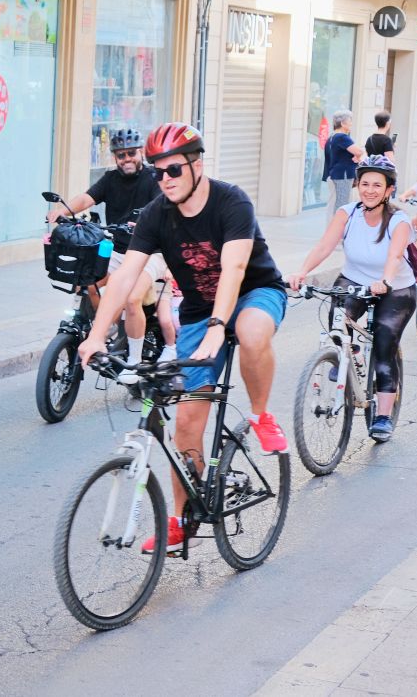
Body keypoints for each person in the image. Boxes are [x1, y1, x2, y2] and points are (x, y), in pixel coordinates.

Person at [78, 122, 290, 555]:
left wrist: (219, 326)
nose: (166, 179)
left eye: (174, 168)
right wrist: (96, 336)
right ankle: (179, 521)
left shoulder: (232, 202)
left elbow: (232, 270)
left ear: (197, 163)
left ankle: (261, 415)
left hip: (255, 292)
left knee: (249, 333)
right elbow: (123, 279)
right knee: (187, 426)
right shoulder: (157, 214)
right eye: (158, 172)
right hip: (197, 310)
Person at [289, 155, 414, 442]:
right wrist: (303, 272)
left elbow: (395, 255)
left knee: (384, 343)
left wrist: (386, 280)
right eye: (365, 183)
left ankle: (383, 415)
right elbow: (325, 245)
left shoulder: (399, 220)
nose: (369, 190)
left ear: (388, 190)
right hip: (354, 280)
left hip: (395, 287)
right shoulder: (347, 213)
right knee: (337, 324)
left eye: (377, 185)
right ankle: (348, 352)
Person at [50, 127, 177, 363]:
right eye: (121, 155)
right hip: (119, 251)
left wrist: (143, 223)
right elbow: (87, 198)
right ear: (115, 157)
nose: (126, 159)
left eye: (131, 153)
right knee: (88, 283)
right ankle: (107, 329)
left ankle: (134, 362)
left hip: (152, 254)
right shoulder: (111, 179)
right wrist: (63, 211)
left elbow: (162, 210)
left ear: (140, 153)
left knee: (132, 298)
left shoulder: (152, 179)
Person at [322, 109, 366, 220]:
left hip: (333, 175)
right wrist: (357, 155)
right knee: (342, 204)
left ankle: (332, 232)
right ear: (342, 123)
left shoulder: (331, 137)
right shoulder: (342, 137)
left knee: (333, 204)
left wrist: (356, 157)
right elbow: (359, 151)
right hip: (342, 176)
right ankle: (339, 233)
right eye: (350, 120)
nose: (351, 123)